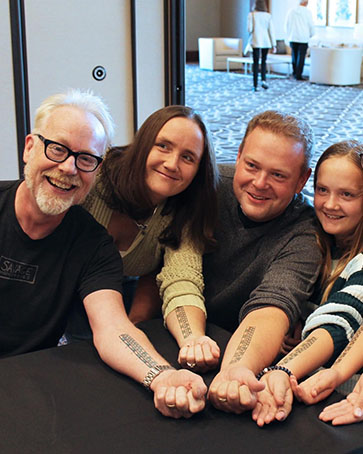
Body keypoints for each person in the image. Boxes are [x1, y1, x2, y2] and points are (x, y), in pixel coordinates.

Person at [0, 89, 208, 419]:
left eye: (85, 159)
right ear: (29, 148)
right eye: (57, 149)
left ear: (97, 169)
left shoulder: (94, 243)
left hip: (28, 379)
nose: (68, 168)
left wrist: (163, 376)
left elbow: (113, 328)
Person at [163, 110, 321, 411]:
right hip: (179, 328)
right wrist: (193, 340)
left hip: (244, 349)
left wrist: (236, 370)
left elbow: (272, 305)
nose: (259, 183)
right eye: (251, 166)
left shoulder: (306, 231)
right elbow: (180, 272)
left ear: (302, 180)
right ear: (238, 157)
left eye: (278, 175)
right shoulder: (207, 188)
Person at [78, 105, 221, 373]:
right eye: (163, 146)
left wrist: (192, 338)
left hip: (118, 306)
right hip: (61, 299)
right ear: (143, 143)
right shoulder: (97, 176)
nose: (172, 164)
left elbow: (182, 279)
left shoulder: (185, 210)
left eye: (188, 157)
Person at [253, 140, 363, 426]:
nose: (330, 204)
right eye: (322, 190)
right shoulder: (312, 238)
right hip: (310, 378)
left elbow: (341, 318)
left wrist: (282, 369)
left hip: (342, 391)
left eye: (347, 194)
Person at [247, 0, 276, 92]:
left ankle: (255, 85)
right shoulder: (268, 16)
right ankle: (263, 80)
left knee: (255, 63)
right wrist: (274, 44)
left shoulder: (251, 15)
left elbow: (249, 29)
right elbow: (271, 31)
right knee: (264, 61)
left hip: (256, 41)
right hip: (266, 41)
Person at [285, 0, 315, 81]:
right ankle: (298, 74)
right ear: (306, 3)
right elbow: (311, 25)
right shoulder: (307, 12)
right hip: (303, 38)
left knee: (294, 56)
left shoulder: (291, 11)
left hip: (293, 37)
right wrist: (312, 34)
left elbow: (287, 24)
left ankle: (295, 72)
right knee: (301, 57)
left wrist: (288, 35)